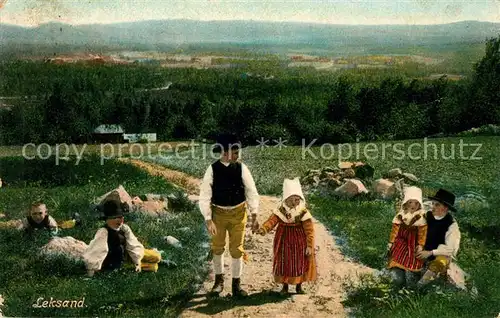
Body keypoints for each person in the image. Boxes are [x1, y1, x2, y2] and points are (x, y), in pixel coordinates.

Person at [198, 133, 260, 297]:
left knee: (237, 249)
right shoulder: (212, 169)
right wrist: (208, 219)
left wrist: (254, 215)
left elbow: (251, 191)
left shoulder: (242, 168)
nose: (238, 156)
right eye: (235, 152)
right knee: (217, 248)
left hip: (238, 214)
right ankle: (218, 282)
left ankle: (236, 285)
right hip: (218, 215)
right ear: (224, 152)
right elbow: (204, 196)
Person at [257, 177, 317, 295]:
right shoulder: (281, 210)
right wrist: (264, 228)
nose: (297, 202)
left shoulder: (303, 212)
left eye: (298, 199)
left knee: (299, 263)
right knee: (284, 262)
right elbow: (272, 221)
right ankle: (284, 287)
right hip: (283, 240)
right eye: (294, 199)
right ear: (287, 199)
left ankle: (299, 287)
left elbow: (309, 230)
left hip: (299, 241)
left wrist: (309, 245)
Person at [83, 199, 161, 277]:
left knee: (156, 256)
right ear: (108, 219)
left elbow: (133, 244)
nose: (121, 220)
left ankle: (157, 259)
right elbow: (97, 250)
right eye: (117, 217)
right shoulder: (104, 232)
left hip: (129, 255)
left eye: (122, 217)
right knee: (153, 267)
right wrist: (91, 271)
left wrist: (137, 262)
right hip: (115, 263)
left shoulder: (124, 229)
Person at [416, 189, 461, 286]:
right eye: (433, 204)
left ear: (445, 208)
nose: (433, 207)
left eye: (437, 205)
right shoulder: (426, 216)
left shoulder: (452, 225)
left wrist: (430, 253)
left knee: (441, 261)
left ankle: (419, 287)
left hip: (438, 255)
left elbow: (451, 249)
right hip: (423, 250)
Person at [386, 186, 427, 287]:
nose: (413, 205)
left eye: (416, 203)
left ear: (419, 204)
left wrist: (421, 244)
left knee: (414, 260)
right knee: (397, 255)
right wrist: (391, 241)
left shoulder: (420, 217)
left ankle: (414, 280)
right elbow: (395, 229)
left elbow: (423, 233)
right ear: (406, 203)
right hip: (401, 240)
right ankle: (398, 276)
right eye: (410, 202)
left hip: (413, 242)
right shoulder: (401, 215)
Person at [12, 201, 81, 236]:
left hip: (52, 225)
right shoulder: (27, 220)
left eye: (40, 213)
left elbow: (55, 229)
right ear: (30, 213)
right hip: (39, 228)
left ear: (46, 212)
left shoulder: (48, 219)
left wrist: (52, 234)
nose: (37, 216)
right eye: (34, 214)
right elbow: (20, 229)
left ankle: (75, 220)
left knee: (63, 225)